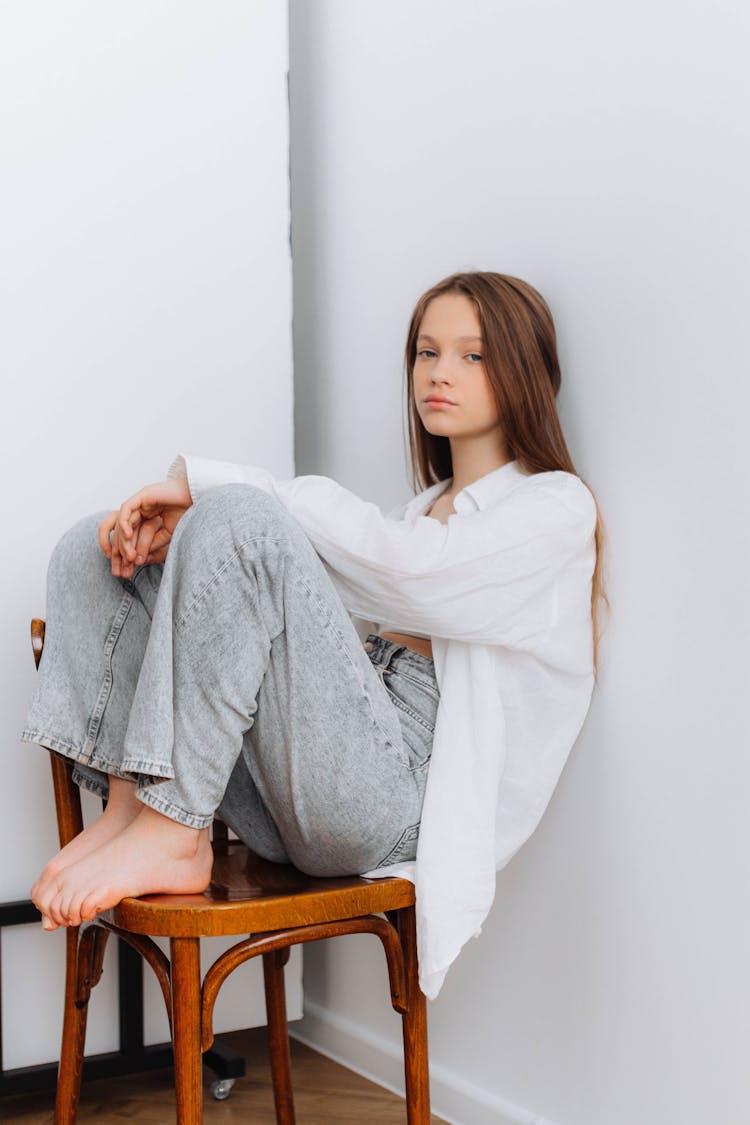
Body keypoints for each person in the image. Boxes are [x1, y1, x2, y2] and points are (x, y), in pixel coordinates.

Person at [22, 271, 604, 999]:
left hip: (397, 799)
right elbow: (303, 607)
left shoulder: (554, 508)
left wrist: (222, 496)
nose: (439, 373)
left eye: (472, 355)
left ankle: (174, 831)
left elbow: (417, 575)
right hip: (309, 782)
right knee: (95, 549)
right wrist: (190, 542)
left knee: (241, 519)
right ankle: (130, 809)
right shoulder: (417, 511)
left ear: (526, 369)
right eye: (427, 352)